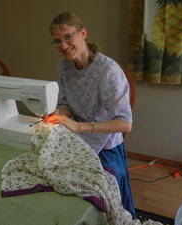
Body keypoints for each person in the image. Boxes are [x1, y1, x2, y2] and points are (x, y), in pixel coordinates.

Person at [44, 11, 136, 218]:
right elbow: (66, 104)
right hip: (78, 140)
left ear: (83, 33)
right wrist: (56, 114)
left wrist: (78, 126)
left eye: (68, 37)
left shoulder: (108, 71)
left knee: (98, 195)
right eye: (57, 41)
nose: (63, 45)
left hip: (106, 145)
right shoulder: (64, 67)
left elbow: (124, 124)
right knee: (54, 180)